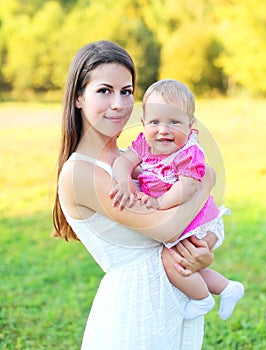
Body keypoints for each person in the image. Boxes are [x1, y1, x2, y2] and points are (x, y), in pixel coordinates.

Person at [52, 41, 216, 350]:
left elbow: (183, 222)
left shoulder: (130, 160)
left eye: (126, 91)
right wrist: (205, 181)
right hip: (136, 310)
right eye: (104, 91)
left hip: (169, 296)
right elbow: (166, 228)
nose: (119, 104)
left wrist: (201, 258)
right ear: (77, 97)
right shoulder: (81, 173)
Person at [110, 79, 244, 321]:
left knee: (173, 262)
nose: (163, 129)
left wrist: (159, 204)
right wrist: (124, 182)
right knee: (187, 264)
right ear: (143, 123)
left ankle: (202, 300)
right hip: (184, 219)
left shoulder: (187, 152)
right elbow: (122, 162)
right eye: (155, 122)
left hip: (201, 221)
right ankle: (227, 288)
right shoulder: (144, 144)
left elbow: (189, 186)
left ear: (190, 124)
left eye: (174, 122)